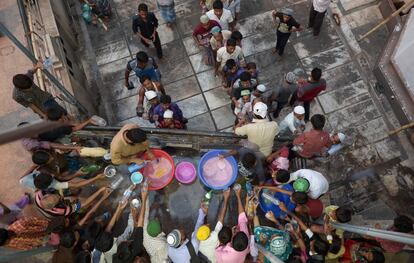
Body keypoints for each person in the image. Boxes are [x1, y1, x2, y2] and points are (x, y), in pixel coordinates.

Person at [215, 187, 250, 262]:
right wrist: (238, 195)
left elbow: (218, 249)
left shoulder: (220, 254)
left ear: (231, 240)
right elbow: (242, 218)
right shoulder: (245, 237)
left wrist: (228, 197)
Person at [34, 186, 108, 219]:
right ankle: (103, 201)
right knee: (80, 201)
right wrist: (100, 191)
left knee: (71, 190)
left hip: (47, 201)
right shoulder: (61, 210)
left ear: (47, 194)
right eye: (57, 199)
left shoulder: (40, 193)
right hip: (54, 213)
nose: (58, 196)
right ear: (56, 205)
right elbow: (85, 202)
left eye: (55, 195)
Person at [199, 189, 231, 263]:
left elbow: (204, 227)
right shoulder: (215, 237)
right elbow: (221, 218)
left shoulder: (196, 236)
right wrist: (226, 199)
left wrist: (205, 213)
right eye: (207, 226)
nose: (208, 224)